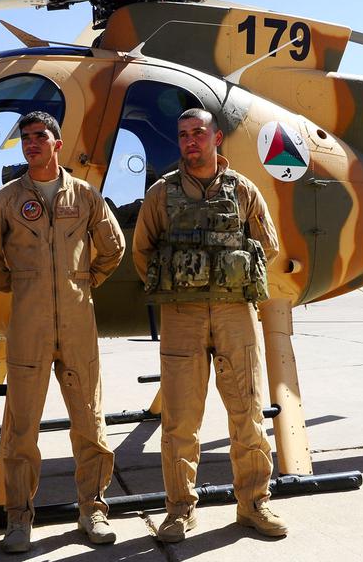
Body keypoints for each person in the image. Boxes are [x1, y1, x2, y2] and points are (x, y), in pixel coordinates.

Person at [131, 108, 287, 542]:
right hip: (182, 315)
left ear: (217, 137)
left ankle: (254, 504)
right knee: (180, 420)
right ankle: (179, 510)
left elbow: (267, 246)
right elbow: (142, 252)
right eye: (183, 135)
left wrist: (228, 276)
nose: (190, 141)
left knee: (248, 413)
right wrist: (184, 281)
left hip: (235, 313)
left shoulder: (244, 191)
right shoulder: (161, 194)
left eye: (198, 132)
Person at [0, 111, 125, 552]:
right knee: (21, 428)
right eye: (26, 138)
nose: (31, 143)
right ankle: (19, 519)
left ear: (57, 143)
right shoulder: (5, 199)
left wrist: (84, 281)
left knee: (90, 424)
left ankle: (93, 510)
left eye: (40, 136)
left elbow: (113, 247)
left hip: (78, 324)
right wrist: (21, 285)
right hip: (28, 326)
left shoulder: (85, 196)